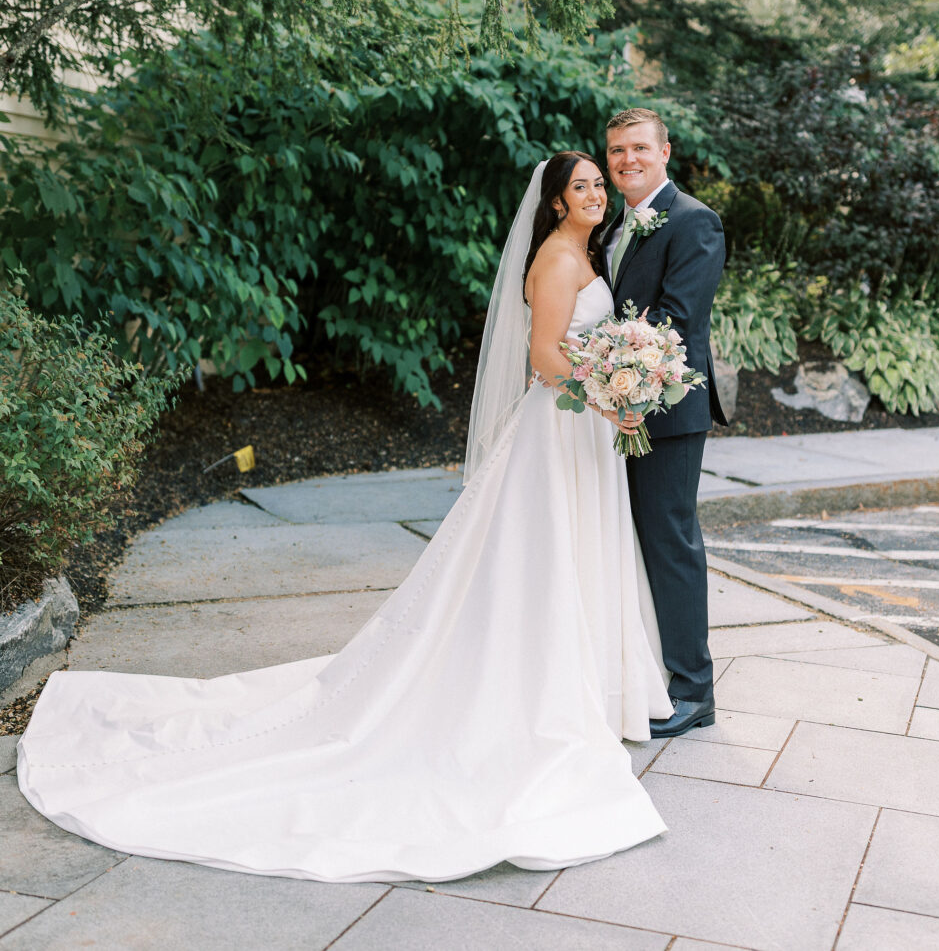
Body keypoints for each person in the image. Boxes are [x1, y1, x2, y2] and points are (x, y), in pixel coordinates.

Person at [18, 153, 674, 886]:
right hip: (559, 429)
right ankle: (542, 688)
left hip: (580, 429)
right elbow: (545, 358)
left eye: (596, 184)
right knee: (543, 560)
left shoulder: (586, 253)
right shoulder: (555, 260)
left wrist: (621, 379)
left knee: (574, 555)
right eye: (580, 186)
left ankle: (588, 681)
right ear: (554, 202)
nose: (594, 193)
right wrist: (609, 391)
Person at [603, 108, 727, 739]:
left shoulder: (693, 221)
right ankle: (640, 674)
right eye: (617, 150)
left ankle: (694, 689)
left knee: (670, 542)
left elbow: (675, 322)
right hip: (610, 407)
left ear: (665, 152)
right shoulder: (611, 224)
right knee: (621, 541)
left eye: (639, 148)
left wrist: (621, 377)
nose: (627, 159)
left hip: (667, 413)